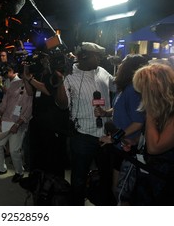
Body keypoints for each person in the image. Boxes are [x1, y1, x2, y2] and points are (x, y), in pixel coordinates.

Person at [55, 42, 116, 205]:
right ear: (84, 56)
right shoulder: (70, 75)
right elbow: (62, 104)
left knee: (106, 176)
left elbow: (116, 85)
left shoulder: (102, 71)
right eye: (96, 55)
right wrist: (60, 80)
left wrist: (121, 67)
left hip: (105, 136)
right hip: (83, 136)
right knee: (79, 178)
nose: (99, 58)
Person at [96, 54, 148, 204]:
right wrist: (106, 112)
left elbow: (138, 122)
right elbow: (120, 108)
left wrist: (113, 138)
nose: (119, 66)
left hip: (127, 146)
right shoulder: (125, 87)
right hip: (120, 146)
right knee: (117, 189)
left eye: (123, 63)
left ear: (129, 68)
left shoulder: (133, 90)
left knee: (121, 191)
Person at [132, 63, 174, 205]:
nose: (141, 95)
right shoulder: (160, 110)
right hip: (151, 177)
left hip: (165, 183)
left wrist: (149, 110)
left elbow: (155, 147)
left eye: (143, 90)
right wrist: (134, 143)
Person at [22, 52, 69, 178]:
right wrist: (25, 76)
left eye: (46, 59)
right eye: (42, 59)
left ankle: (51, 183)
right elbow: (30, 92)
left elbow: (48, 90)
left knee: (51, 157)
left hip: (51, 124)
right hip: (37, 120)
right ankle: (38, 180)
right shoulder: (39, 74)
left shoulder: (55, 75)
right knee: (38, 155)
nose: (43, 61)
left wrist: (30, 79)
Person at [0, 63, 33, 183]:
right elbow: (3, 103)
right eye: (23, 71)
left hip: (20, 123)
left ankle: (19, 172)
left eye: (27, 72)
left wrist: (17, 124)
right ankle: (1, 168)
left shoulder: (31, 88)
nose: (24, 74)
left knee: (14, 150)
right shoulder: (14, 84)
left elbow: (29, 110)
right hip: (6, 120)